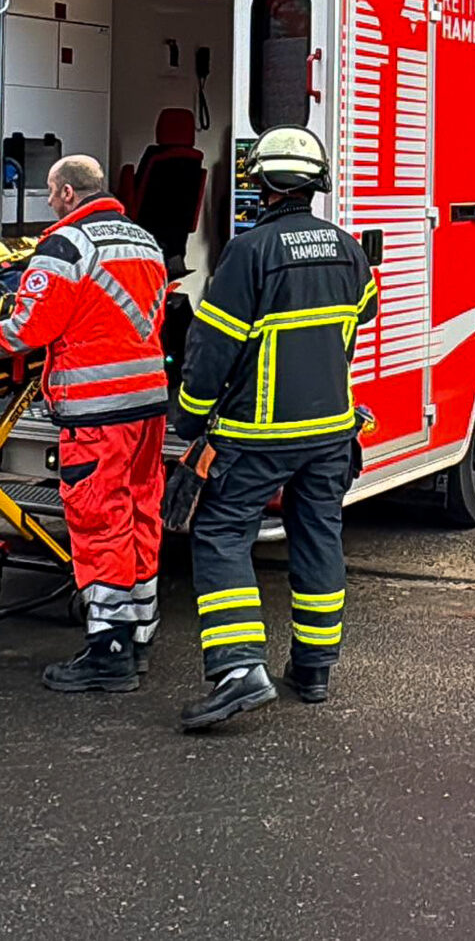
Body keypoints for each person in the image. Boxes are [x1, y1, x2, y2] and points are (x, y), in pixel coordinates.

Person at [0, 154, 170, 692]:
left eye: (50, 191)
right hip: (148, 404)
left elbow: (29, 330)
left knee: (99, 520)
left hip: (95, 411)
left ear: (67, 193)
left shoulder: (65, 247)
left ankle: (107, 652)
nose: (47, 201)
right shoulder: (146, 241)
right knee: (140, 513)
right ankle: (136, 638)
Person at [172, 126, 376, 732]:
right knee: (318, 535)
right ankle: (313, 668)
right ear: (316, 184)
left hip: (256, 434)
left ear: (260, 182)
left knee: (219, 534)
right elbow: (357, 323)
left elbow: (212, 347)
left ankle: (238, 671)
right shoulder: (349, 250)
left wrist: (189, 413)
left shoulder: (249, 252)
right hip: (332, 431)